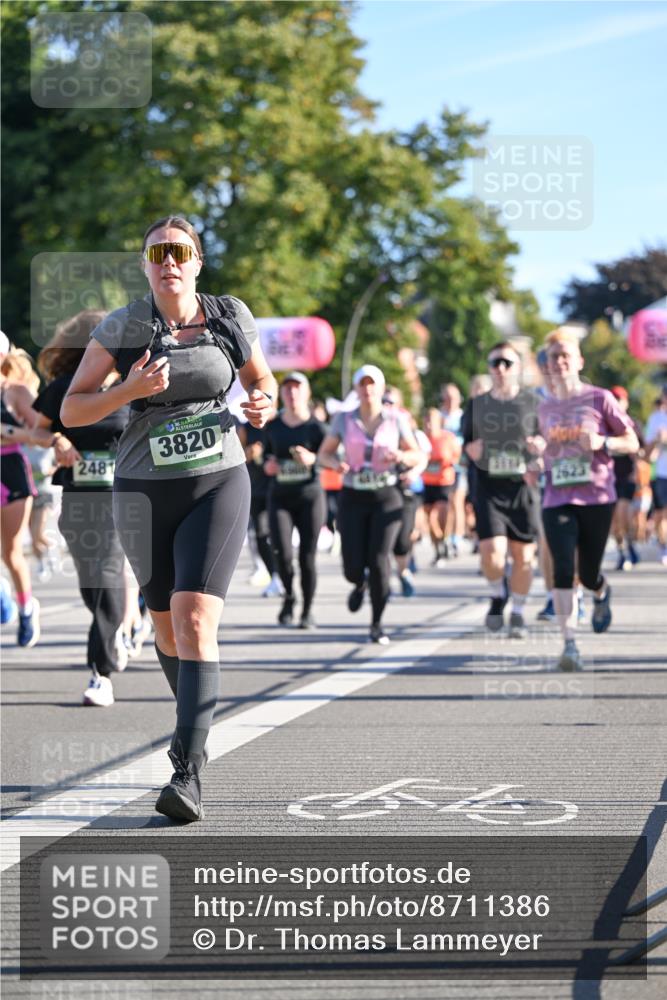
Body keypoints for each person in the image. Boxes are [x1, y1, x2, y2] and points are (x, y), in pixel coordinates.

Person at [61, 215, 275, 821]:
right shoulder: (124, 326)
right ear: (145, 264)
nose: (168, 261)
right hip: (143, 490)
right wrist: (127, 391)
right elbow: (74, 411)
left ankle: (187, 769)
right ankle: (194, 725)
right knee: (164, 629)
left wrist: (263, 403)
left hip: (217, 479)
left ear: (198, 261)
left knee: (195, 615)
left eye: (180, 251)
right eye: (157, 253)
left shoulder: (231, 316)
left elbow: (263, 383)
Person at [33, 309, 132, 703]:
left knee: (108, 570)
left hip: (124, 497)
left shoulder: (134, 385)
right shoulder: (63, 388)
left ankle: (100, 673)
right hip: (77, 496)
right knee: (91, 579)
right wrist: (56, 441)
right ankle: (115, 630)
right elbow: (38, 430)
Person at [533, 331, 638, 671]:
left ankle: (601, 590)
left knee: (588, 571)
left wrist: (603, 442)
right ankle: (569, 645)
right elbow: (539, 449)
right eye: (554, 357)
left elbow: (631, 441)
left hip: (596, 496)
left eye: (566, 355)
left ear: (579, 361)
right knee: (563, 566)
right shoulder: (542, 407)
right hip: (556, 497)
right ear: (547, 366)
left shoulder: (599, 399)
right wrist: (535, 457)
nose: (560, 362)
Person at [317, 364, 422, 644]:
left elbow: (416, 454)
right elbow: (323, 454)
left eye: (372, 383)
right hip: (352, 495)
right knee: (352, 565)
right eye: (362, 384)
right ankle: (358, 582)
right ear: (356, 388)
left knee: (379, 560)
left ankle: (377, 622)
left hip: (386, 497)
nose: (368, 389)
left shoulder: (395, 419)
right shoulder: (343, 419)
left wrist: (400, 456)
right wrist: (335, 463)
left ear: (380, 386)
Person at [462, 342, 541, 638]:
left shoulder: (533, 403)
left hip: (522, 488)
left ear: (518, 368)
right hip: (489, 487)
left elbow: (547, 440)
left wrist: (540, 448)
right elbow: (464, 443)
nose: (501, 369)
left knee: (523, 557)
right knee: (492, 554)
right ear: (489, 367)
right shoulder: (477, 405)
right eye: (496, 363)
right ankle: (498, 593)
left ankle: (518, 612)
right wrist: (470, 449)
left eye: (507, 363)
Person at [0, 334, 55, 647]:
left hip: (11, 474)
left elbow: (42, 432)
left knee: (10, 552)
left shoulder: (16, 391)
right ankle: (3, 595)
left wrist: (8, 431)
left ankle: (26, 607)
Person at [263, 372, 327, 629]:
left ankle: (308, 610)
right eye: (287, 389)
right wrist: (269, 465)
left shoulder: (317, 428)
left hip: (310, 496)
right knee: (282, 553)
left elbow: (331, 458)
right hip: (280, 497)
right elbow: (265, 459)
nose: (292, 394)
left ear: (307, 393)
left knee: (307, 557)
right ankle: (289, 596)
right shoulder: (273, 426)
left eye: (297, 388)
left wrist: (313, 459)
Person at [608, 385, 644, 570]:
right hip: (608, 478)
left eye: (620, 399)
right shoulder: (605, 425)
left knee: (624, 513)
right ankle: (623, 550)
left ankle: (630, 544)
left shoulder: (633, 424)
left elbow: (643, 451)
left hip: (628, 477)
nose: (617, 403)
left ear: (626, 402)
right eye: (613, 399)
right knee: (615, 521)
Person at [421, 407, 460, 566]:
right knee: (430, 519)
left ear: (439, 422)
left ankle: (445, 539)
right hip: (427, 482)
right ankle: (438, 547)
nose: (429, 424)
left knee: (440, 514)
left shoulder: (448, 438)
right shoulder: (421, 438)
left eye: (433, 421)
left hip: (444, 481)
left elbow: (457, 457)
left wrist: (447, 462)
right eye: (427, 421)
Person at [440, 383, 466, 557]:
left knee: (457, 501)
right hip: (443, 467)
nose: (450, 401)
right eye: (447, 397)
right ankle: (446, 536)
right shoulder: (440, 416)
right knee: (446, 503)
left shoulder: (463, 416)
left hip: (459, 465)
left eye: (454, 397)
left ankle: (457, 537)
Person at [645, 385, 667, 566]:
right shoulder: (656, 419)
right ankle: (664, 545)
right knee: (661, 514)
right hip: (661, 473)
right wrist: (658, 441)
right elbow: (647, 451)